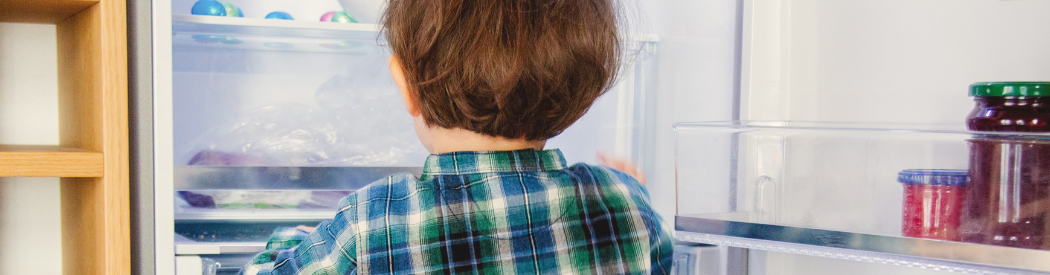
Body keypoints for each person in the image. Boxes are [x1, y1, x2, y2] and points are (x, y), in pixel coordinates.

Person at [242, 0, 673, 274]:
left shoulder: (372, 221)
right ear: (582, 91)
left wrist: (298, 236)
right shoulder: (624, 202)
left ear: (406, 86)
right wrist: (623, 193)